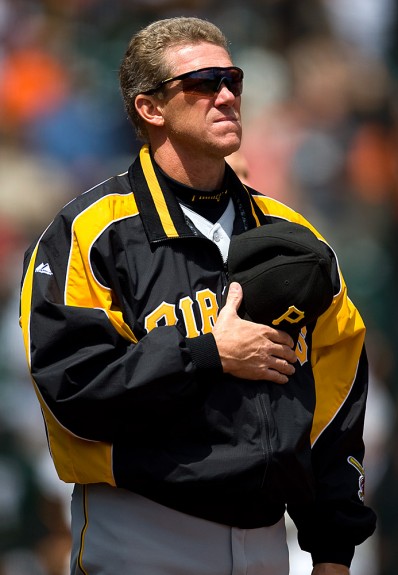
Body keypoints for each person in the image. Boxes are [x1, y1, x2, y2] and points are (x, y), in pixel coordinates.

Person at [19, 16, 376, 575]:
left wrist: (333, 547)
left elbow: (337, 396)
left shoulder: (291, 238)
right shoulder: (90, 233)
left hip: (266, 537)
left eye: (232, 79)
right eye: (203, 83)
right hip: (143, 528)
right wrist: (207, 353)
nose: (227, 95)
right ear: (150, 108)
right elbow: (73, 390)